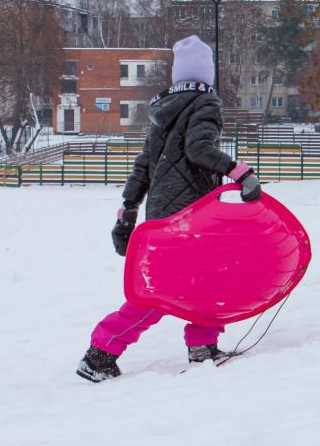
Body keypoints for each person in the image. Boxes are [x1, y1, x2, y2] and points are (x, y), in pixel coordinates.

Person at [76, 35, 262, 383]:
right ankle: (101, 353)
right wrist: (241, 173)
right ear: (207, 74)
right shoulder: (206, 103)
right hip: (191, 213)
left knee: (208, 278)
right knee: (162, 291)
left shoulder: (163, 111)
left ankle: (202, 347)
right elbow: (198, 149)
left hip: (163, 215)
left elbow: (143, 166)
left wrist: (128, 212)